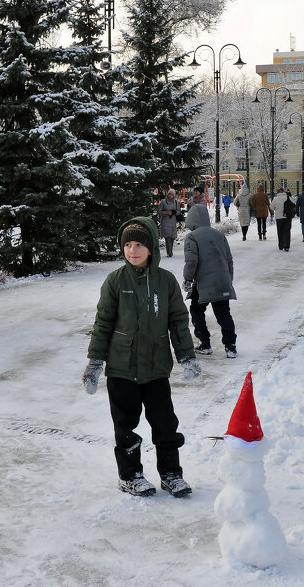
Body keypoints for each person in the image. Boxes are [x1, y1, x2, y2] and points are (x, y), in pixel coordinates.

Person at [82, 216, 201, 498]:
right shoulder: (115, 282)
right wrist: (95, 362)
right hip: (122, 369)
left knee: (165, 424)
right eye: (128, 245)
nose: (132, 250)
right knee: (125, 426)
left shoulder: (166, 282)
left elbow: (178, 321)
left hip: (156, 368)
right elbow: (103, 324)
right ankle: (130, 475)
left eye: (139, 245)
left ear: (151, 249)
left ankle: (171, 473)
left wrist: (186, 356)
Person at [182, 204, 238, 358]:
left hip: (204, 284)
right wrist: (228, 279)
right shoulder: (219, 235)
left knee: (196, 310)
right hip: (222, 281)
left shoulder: (192, 237)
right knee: (224, 314)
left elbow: (191, 262)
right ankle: (230, 346)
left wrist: (187, 279)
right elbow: (229, 260)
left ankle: (205, 343)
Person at [269, 187, 293, 252]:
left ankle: (281, 245)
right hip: (287, 217)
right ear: (284, 191)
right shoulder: (288, 197)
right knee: (287, 231)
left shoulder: (275, 199)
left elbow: (271, 207)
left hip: (279, 218)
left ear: (278, 192)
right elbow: (294, 204)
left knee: (280, 231)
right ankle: (287, 246)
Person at [158, 188, 180, 257]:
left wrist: (175, 212)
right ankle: (169, 253)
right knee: (167, 238)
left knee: (172, 237)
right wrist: (166, 212)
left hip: (173, 222)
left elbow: (179, 211)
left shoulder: (176, 202)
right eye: (169, 194)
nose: (170, 195)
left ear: (174, 195)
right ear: (167, 194)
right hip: (165, 222)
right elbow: (159, 211)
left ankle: (170, 251)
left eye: (172, 194)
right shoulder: (163, 202)